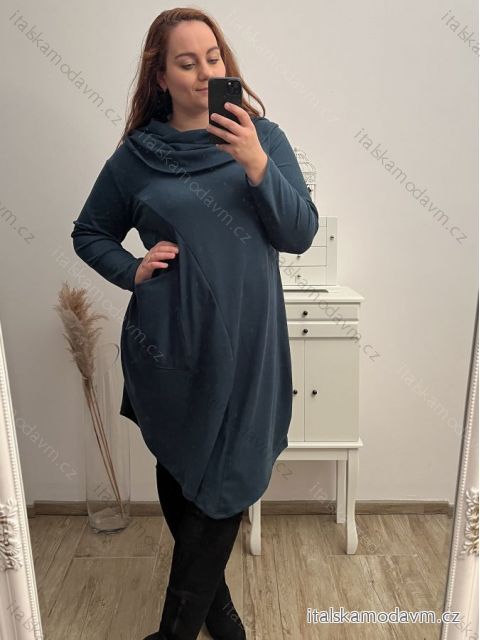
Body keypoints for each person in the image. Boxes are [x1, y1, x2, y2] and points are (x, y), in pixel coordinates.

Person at [71, 7, 319, 639]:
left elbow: (299, 233)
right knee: (183, 466)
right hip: (169, 343)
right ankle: (217, 608)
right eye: (187, 62)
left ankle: (175, 630)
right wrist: (132, 269)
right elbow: (90, 232)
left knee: (229, 472)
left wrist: (256, 163)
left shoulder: (264, 139)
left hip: (249, 341)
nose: (206, 72)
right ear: (161, 76)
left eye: (214, 58)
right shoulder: (136, 157)